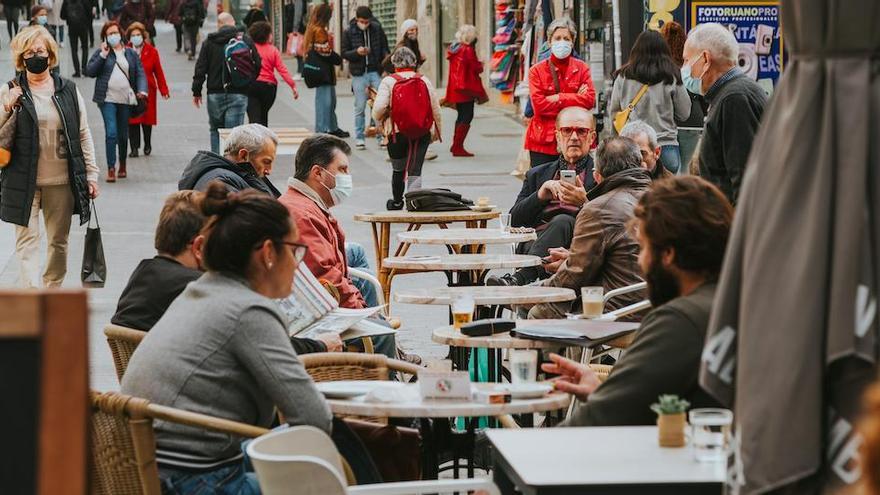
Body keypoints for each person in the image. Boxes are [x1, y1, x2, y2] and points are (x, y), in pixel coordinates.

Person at [120, 182, 335, 492]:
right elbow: (314, 419)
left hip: (150, 469)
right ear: (268, 253)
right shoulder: (249, 310)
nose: (298, 261)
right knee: (325, 481)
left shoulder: (200, 290)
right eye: (294, 249)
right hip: (194, 480)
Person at [544, 176, 732, 426]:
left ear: (667, 255)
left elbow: (597, 418)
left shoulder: (680, 321)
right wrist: (606, 391)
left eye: (643, 248)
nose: (640, 262)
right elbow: (643, 395)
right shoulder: (737, 301)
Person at [111, 190, 341, 354]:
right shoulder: (201, 289)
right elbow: (265, 345)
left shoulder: (145, 272)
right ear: (200, 247)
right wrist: (319, 346)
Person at [278, 134, 412, 363]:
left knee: (359, 264)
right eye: (342, 170)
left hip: (320, 296)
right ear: (317, 173)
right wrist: (364, 314)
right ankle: (386, 386)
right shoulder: (302, 213)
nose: (347, 177)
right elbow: (326, 274)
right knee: (381, 334)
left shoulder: (308, 205)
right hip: (312, 310)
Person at [0, 26, 100, 288]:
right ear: (22, 57)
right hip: (23, 179)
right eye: (30, 52)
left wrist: (91, 174)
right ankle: (33, 299)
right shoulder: (10, 89)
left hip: (61, 181)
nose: (36, 56)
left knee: (58, 243)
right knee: (27, 243)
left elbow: (83, 133)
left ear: (50, 55)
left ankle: (51, 290)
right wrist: (7, 106)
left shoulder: (67, 89)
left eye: (40, 51)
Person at [527, 137, 651, 320]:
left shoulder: (599, 209)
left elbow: (575, 275)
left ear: (597, 175)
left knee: (538, 313)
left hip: (618, 310)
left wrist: (534, 293)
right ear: (642, 165)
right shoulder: (664, 198)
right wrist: (571, 258)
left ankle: (547, 349)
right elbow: (627, 256)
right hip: (659, 306)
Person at [488, 106, 595, 287]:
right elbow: (513, 220)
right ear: (557, 136)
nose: (574, 137)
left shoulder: (600, 175)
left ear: (592, 138)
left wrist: (584, 203)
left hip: (580, 247)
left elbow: (610, 219)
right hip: (539, 243)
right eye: (567, 130)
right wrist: (540, 195)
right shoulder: (538, 174)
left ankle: (519, 279)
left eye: (581, 131)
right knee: (552, 232)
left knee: (562, 220)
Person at [683, 22, 767, 204]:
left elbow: (745, 180)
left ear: (705, 59)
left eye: (686, 60)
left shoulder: (734, 99)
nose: (684, 68)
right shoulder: (730, 94)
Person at [609, 30, 691, 174]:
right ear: (665, 51)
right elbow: (684, 113)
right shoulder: (672, 76)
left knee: (633, 192)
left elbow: (615, 113)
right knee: (666, 193)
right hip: (666, 147)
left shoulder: (623, 76)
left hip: (632, 147)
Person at [372, 46, 442, 211]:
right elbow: (436, 109)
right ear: (414, 63)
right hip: (422, 131)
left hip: (397, 133)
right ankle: (414, 203)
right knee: (415, 169)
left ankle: (397, 201)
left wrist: (382, 118)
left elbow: (377, 110)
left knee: (398, 169)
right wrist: (436, 132)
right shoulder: (424, 80)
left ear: (394, 63)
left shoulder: (389, 81)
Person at [525, 17, 594, 168]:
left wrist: (557, 98)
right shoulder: (536, 71)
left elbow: (589, 101)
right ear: (549, 42)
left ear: (572, 42)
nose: (562, 42)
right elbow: (539, 106)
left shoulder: (582, 68)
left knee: (575, 185)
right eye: (557, 38)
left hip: (575, 140)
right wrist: (576, 97)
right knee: (542, 186)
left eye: (566, 38)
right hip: (543, 141)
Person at [85, 20, 147, 182]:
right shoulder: (102, 52)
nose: (113, 36)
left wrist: (142, 90)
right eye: (109, 33)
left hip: (125, 99)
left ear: (120, 34)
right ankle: (111, 168)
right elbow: (90, 71)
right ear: (105, 37)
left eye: (115, 33)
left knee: (122, 134)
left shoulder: (130, 53)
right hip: (107, 99)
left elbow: (140, 72)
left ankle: (123, 164)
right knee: (111, 133)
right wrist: (102, 55)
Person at [192, 12, 260, 154]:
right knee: (233, 135)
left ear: (219, 24)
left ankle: (216, 167)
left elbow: (200, 68)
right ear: (233, 22)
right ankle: (231, 169)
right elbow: (258, 64)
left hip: (214, 94)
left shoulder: (209, 42)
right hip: (238, 93)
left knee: (215, 131)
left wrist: (196, 91)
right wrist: (248, 84)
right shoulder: (245, 40)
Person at [179, 123, 280, 197]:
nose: (269, 171)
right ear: (243, 155)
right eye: (266, 162)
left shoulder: (231, 177)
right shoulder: (221, 185)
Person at [341, 5, 389, 150]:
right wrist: (357, 52)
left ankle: (381, 135)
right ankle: (360, 137)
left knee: (380, 105)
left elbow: (384, 48)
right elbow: (344, 53)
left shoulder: (377, 28)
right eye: (362, 21)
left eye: (367, 21)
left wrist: (385, 67)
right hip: (358, 73)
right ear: (357, 20)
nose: (365, 24)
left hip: (375, 71)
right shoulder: (349, 31)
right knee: (360, 106)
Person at [303, 3, 347, 137]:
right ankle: (322, 130)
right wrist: (339, 59)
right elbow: (324, 51)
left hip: (320, 71)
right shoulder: (319, 30)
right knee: (325, 103)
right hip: (323, 72)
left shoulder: (312, 28)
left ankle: (332, 127)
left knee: (329, 101)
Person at [443, 24, 488, 158]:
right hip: (466, 88)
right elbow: (476, 68)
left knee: (462, 115)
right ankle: (458, 146)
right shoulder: (467, 50)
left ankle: (456, 145)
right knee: (467, 116)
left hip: (456, 88)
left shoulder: (455, 48)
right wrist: (482, 64)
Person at [126, 22, 167, 158]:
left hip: (149, 90)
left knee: (147, 120)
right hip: (130, 90)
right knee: (133, 120)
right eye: (133, 35)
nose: (136, 37)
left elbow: (158, 72)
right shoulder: (125, 51)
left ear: (143, 36)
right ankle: (134, 148)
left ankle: (147, 144)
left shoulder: (152, 51)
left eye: (138, 35)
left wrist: (164, 89)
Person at [247, 21, 298, 127]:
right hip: (268, 88)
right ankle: (263, 138)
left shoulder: (249, 49)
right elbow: (282, 69)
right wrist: (292, 85)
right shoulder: (273, 50)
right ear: (266, 35)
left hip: (251, 85)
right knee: (263, 115)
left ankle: (255, 138)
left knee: (254, 117)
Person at [60, 0, 91, 77]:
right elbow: (89, 13)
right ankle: (84, 69)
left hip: (72, 27)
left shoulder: (66, 1)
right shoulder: (84, 1)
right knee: (85, 48)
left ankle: (77, 71)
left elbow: (62, 16)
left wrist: (69, 17)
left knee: (74, 50)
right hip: (83, 27)